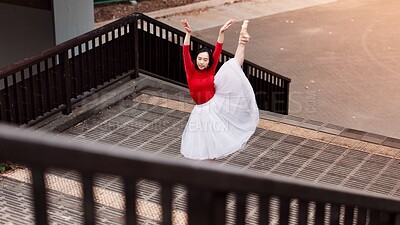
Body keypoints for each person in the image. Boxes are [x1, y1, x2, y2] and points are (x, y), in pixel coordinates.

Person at [180, 18, 259, 160]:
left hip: (215, 107)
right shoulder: (191, 71)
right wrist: (188, 33)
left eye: (205, 60)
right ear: (196, 59)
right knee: (206, 146)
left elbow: (218, 49)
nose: (202, 62)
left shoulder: (210, 71)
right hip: (200, 112)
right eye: (200, 59)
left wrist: (221, 32)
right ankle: (207, 174)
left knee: (232, 66)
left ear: (209, 62)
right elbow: (185, 51)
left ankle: (242, 41)